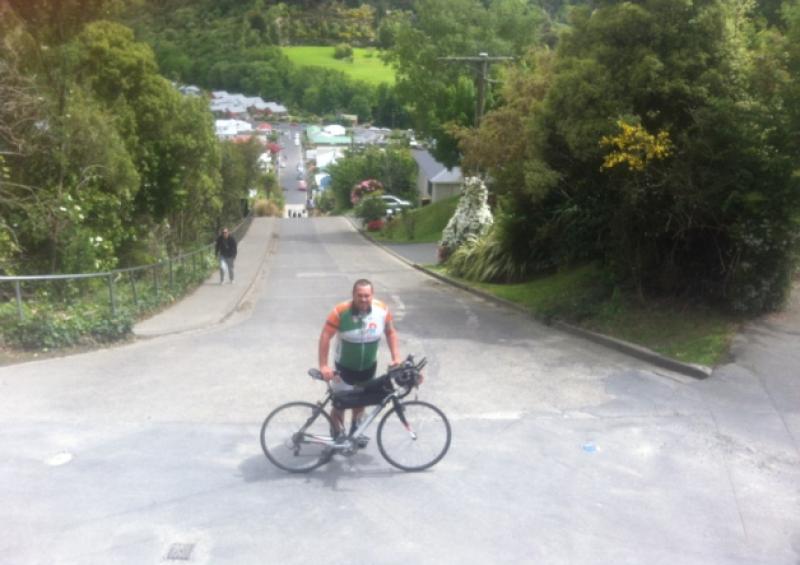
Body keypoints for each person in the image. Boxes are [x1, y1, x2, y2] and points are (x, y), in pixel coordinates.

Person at [318, 279, 401, 440]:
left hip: (368, 367)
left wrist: (396, 357)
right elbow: (325, 335)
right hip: (344, 367)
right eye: (359, 295)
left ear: (372, 295)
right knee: (340, 403)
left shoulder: (382, 310)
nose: (363, 299)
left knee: (360, 401)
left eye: (367, 296)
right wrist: (323, 365)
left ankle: (356, 432)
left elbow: (391, 332)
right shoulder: (340, 311)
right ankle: (336, 434)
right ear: (353, 295)